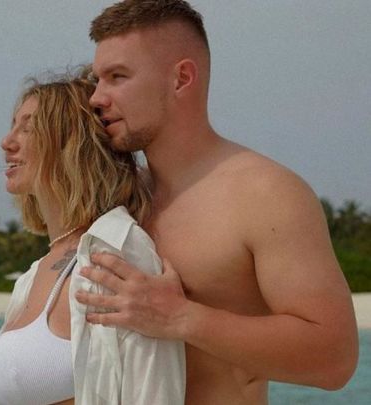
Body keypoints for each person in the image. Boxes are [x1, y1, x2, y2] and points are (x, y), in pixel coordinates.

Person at [74, 1, 359, 404]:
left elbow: (335, 359)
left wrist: (182, 317)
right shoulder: (117, 198)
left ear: (181, 78)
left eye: (117, 77)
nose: (96, 97)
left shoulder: (264, 193)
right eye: (96, 80)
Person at [0, 68, 185, 405]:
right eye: (13, 125)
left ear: (70, 144)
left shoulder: (118, 249)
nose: (7, 141)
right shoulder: (31, 278)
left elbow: (152, 390)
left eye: (28, 128)